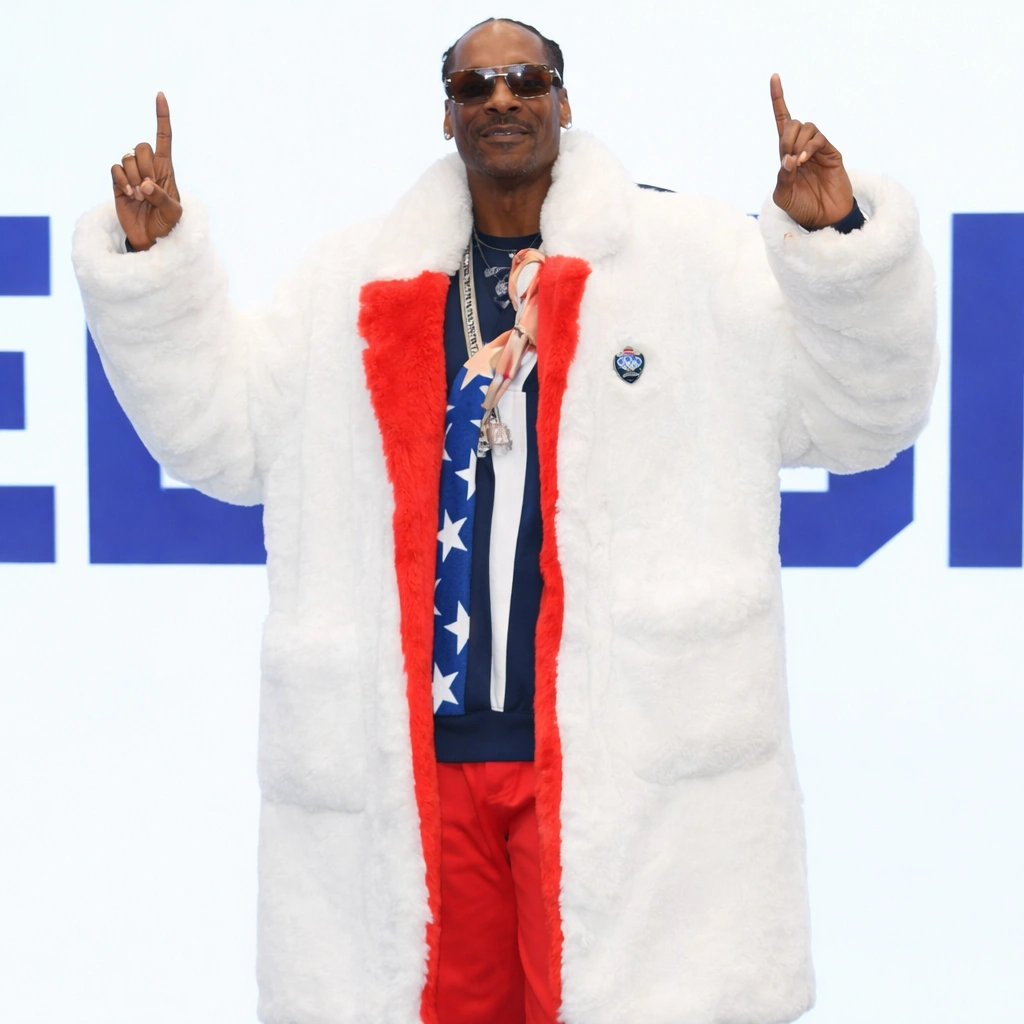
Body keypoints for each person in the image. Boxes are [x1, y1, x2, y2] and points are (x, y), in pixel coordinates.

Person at [71, 17, 938, 1024]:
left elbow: (865, 415)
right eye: (473, 85)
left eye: (525, 78)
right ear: (446, 116)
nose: (501, 99)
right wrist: (155, 269)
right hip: (418, 771)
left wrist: (837, 246)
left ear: (563, 100)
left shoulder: (692, 261)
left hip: (626, 763)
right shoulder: (347, 283)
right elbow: (221, 432)